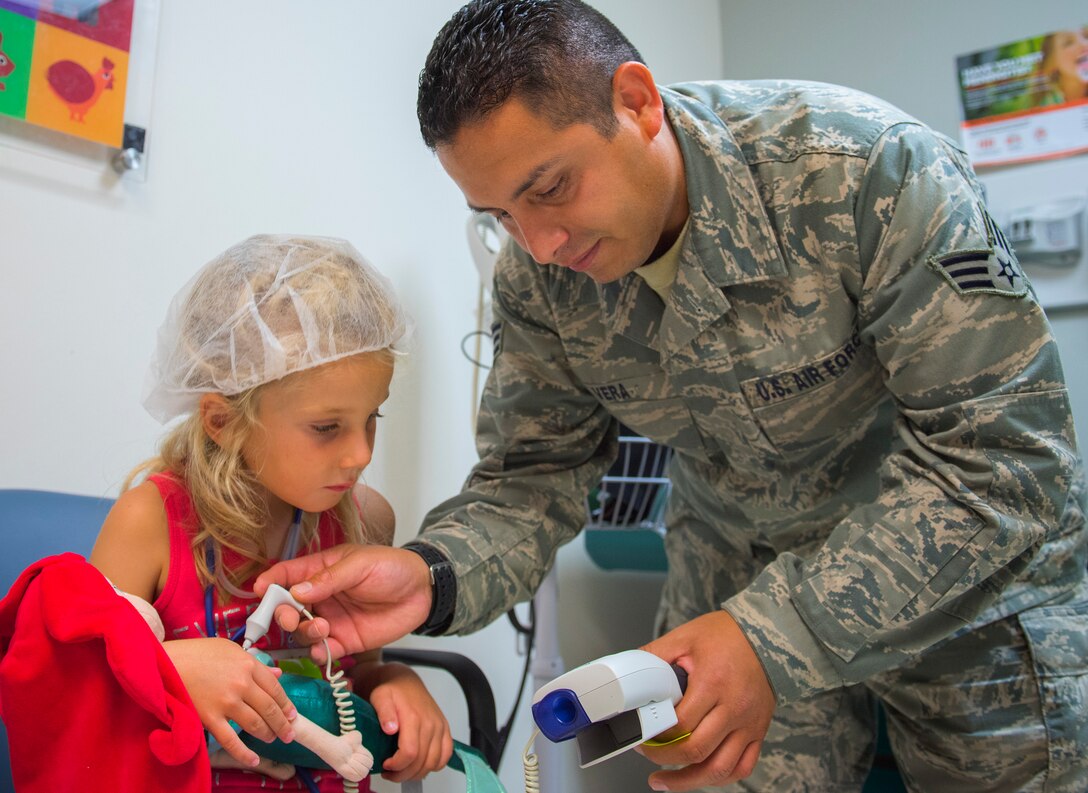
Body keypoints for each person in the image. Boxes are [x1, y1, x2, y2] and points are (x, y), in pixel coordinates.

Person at [258, 2, 1088, 791]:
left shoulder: (868, 174)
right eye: (501, 214)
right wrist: (432, 574)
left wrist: (772, 634)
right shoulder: (541, 280)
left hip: (963, 594)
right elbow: (532, 476)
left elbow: (1002, 460)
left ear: (637, 102)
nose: (539, 244)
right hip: (735, 577)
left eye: (549, 188)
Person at [92, 234, 453, 791]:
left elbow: (355, 671)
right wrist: (169, 672)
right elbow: (82, 692)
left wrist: (396, 680)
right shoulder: (150, 524)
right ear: (222, 420)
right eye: (327, 427)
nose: (360, 454)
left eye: (372, 418)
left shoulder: (360, 520)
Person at [1032, 28, 1088, 106]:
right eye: (1068, 42)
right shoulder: (1047, 106)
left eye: (1086, 36)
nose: (1085, 44)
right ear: (1051, 63)